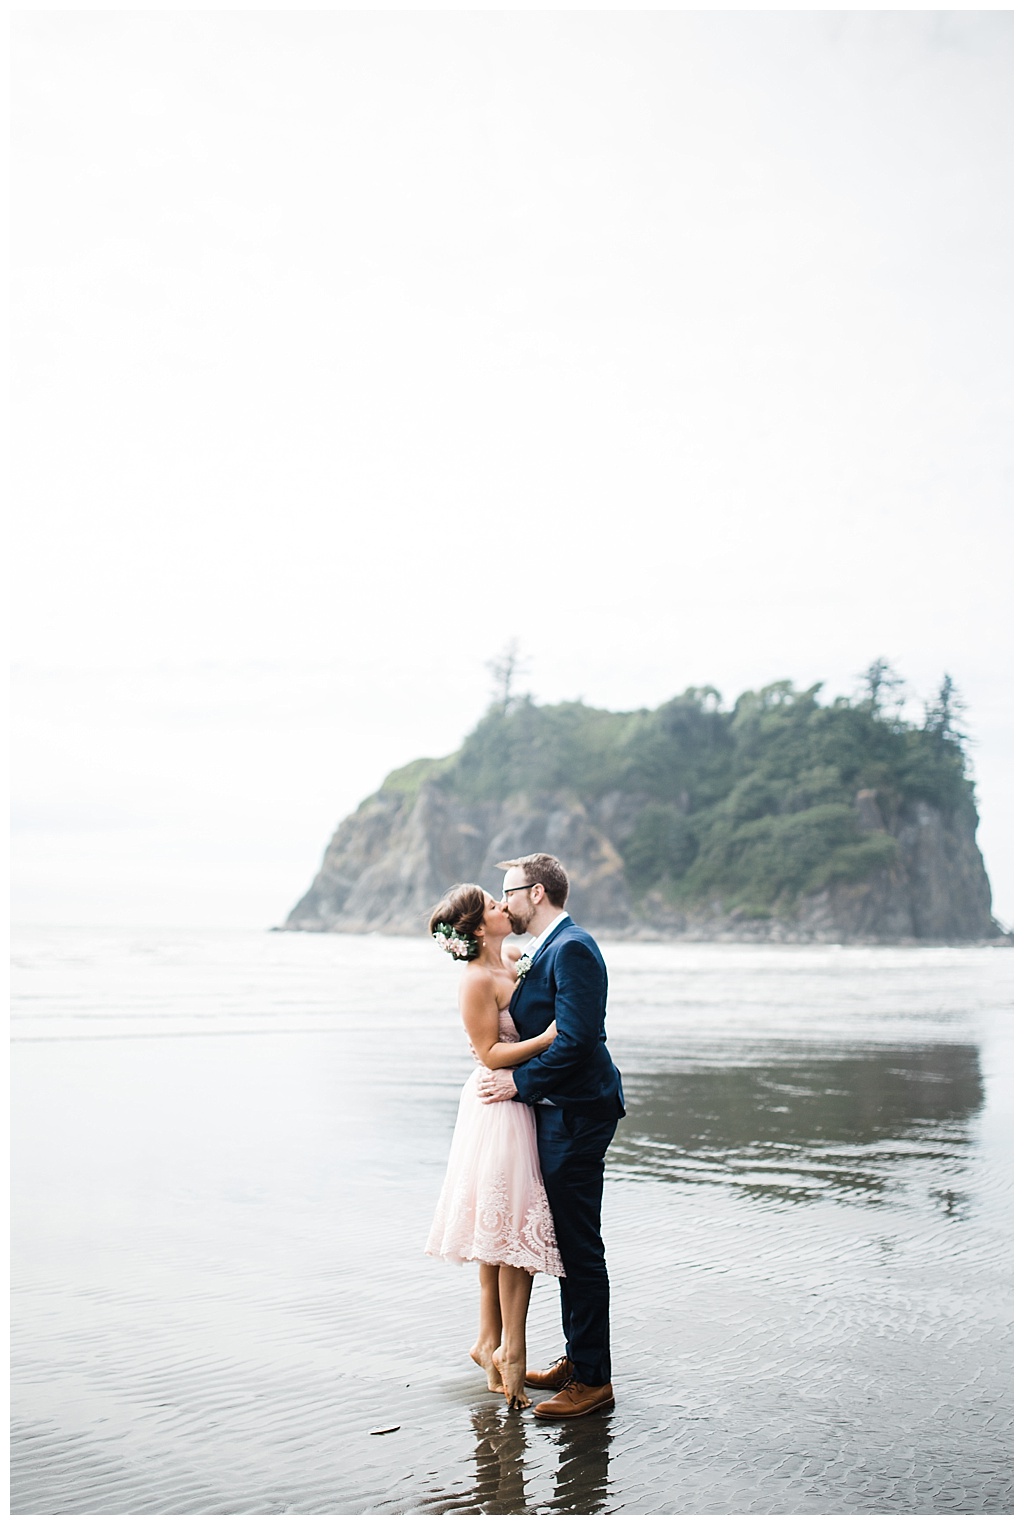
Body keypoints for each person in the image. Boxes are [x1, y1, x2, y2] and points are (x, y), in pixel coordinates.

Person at [478, 853, 625, 1419]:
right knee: (565, 1241)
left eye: (510, 891)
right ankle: (578, 1358)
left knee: (579, 1247)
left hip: (579, 1112)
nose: (505, 902)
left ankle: (593, 1381)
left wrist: (518, 1083)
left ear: (536, 893)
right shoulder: (549, 948)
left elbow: (578, 1041)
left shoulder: (574, 948)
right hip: (559, 1110)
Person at [425, 883, 564, 1410]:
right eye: (492, 904)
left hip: (516, 1101)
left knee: (500, 1228)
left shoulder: (511, 956)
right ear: (479, 928)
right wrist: (550, 1039)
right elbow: (488, 1053)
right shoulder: (477, 979)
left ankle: (490, 1343)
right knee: (512, 1234)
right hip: (495, 1104)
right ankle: (510, 1351)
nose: (504, 907)